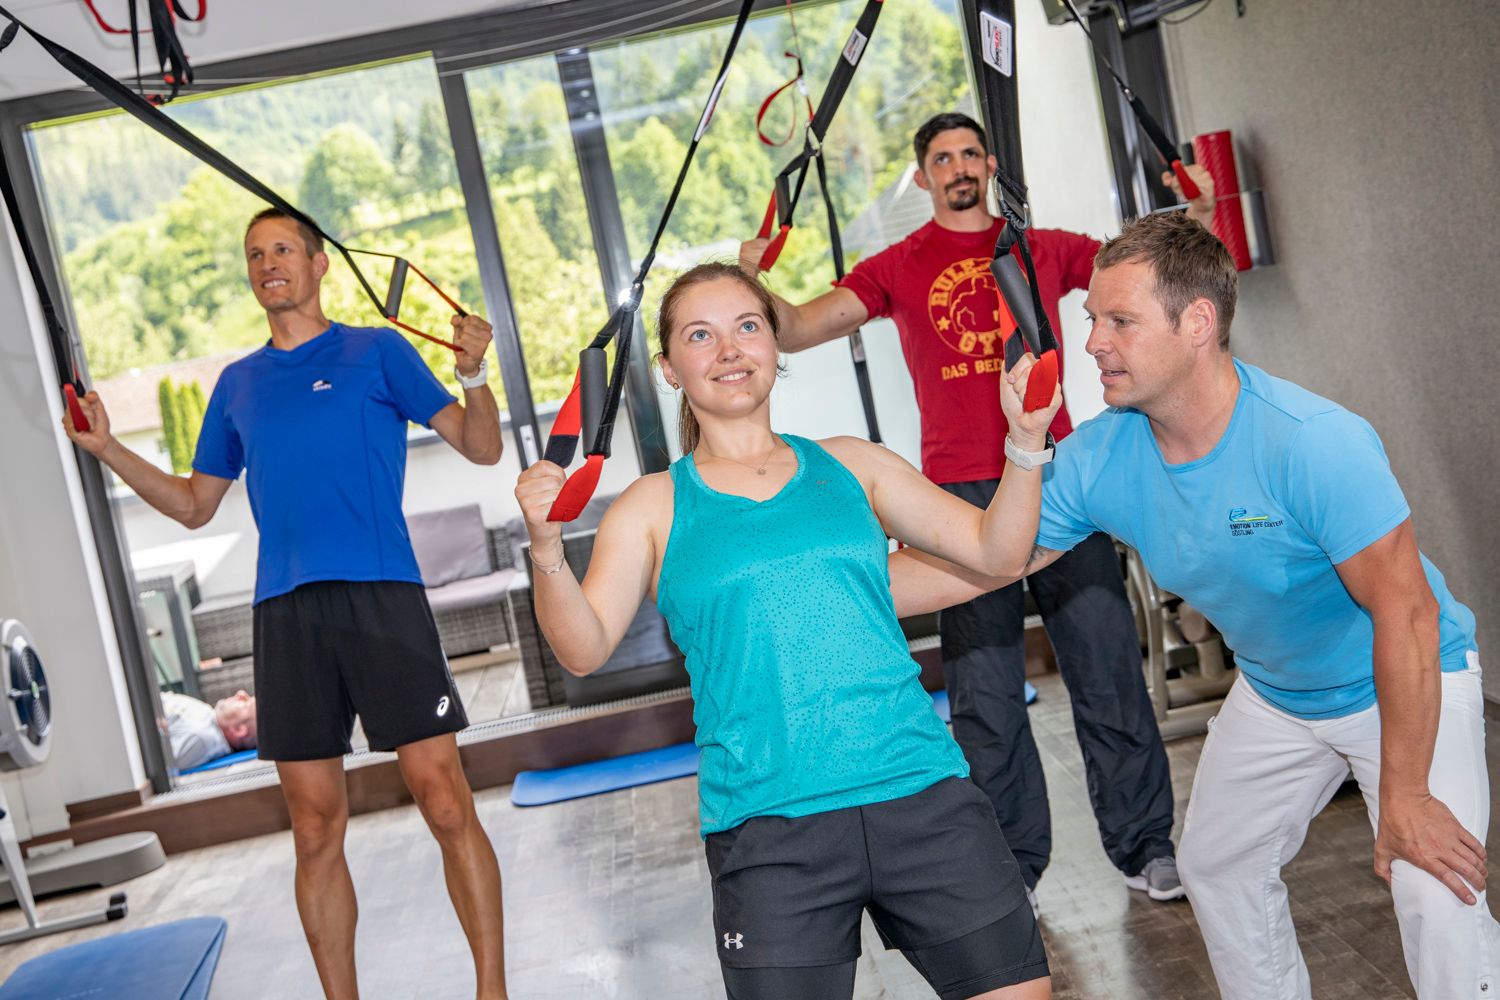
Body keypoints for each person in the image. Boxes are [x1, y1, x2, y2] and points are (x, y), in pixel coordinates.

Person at [898, 210, 1499, 999]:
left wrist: (1408, 794)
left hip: (1403, 682)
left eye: (1120, 321)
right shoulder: (1102, 454)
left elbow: (1408, 615)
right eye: (1092, 319)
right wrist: (823, 581)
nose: (1092, 343)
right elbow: (989, 559)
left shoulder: (1311, 440)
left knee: (1434, 881)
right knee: (1218, 865)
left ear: (1198, 324)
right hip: (1280, 693)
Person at [515, 262, 1057, 1000]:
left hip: (921, 793)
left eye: (747, 327)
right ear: (670, 369)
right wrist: (547, 548)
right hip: (769, 827)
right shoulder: (650, 506)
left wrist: (1024, 442)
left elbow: (998, 552)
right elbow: (583, 649)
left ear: (775, 345)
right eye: (700, 336)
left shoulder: (854, 464)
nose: (729, 350)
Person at [738, 111, 1215, 903]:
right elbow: (795, 330)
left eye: (969, 153)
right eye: (942, 157)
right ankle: (1012, 868)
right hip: (956, 499)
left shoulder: (1041, 246)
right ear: (923, 176)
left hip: (1059, 485)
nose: (958, 166)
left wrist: (1194, 216)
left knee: (1108, 675)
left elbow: (1148, 280)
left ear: (989, 166)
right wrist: (756, 282)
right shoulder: (897, 264)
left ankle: (1145, 847)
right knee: (985, 700)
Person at [63, 208, 509, 1000]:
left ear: (318, 262)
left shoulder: (378, 352)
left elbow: (482, 447)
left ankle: (492, 990)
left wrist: (474, 375)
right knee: (312, 828)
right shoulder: (238, 386)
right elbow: (194, 503)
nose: (267, 264)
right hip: (286, 611)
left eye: (281, 250)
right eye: (254, 255)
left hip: (382, 595)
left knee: (444, 801)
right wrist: (108, 449)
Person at [160, 688, 257, 770]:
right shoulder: (208, 716)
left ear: (238, 730)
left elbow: (156, 763)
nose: (241, 693)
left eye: (246, 704)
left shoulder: (200, 739)